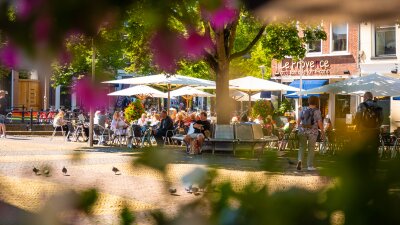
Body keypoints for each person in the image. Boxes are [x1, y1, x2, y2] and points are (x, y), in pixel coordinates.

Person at [354, 92, 383, 169]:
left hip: (364, 131)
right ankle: (374, 166)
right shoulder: (378, 105)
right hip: (375, 131)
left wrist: (358, 126)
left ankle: (363, 166)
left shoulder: (361, 105)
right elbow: (381, 119)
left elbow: (357, 117)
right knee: (374, 149)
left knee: (363, 148)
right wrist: (377, 126)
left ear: (365, 97)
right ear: (372, 97)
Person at [296, 96, 324, 171]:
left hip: (302, 130)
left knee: (302, 147)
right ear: (316, 102)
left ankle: (300, 161)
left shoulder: (303, 109)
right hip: (313, 131)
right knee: (311, 148)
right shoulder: (317, 111)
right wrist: (323, 132)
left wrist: (299, 128)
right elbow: (320, 122)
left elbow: (298, 121)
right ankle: (310, 166)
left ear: (309, 101)